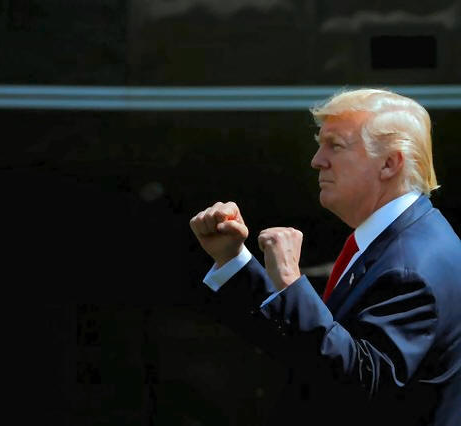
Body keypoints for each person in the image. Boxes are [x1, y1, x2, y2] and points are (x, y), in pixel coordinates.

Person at [189, 89, 461, 426]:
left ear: (390, 163)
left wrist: (290, 282)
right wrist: (232, 259)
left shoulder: (410, 265)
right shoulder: (404, 239)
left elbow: (357, 388)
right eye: (321, 144)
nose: (317, 160)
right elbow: (306, 349)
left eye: (335, 145)